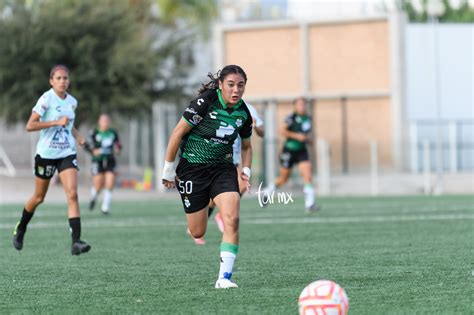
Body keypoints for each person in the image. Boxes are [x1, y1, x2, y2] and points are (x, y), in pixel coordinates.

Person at [162, 65, 253, 289]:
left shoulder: (243, 113)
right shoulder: (205, 102)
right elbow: (177, 133)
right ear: (221, 85)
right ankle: (203, 204)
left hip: (223, 168)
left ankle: (224, 278)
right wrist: (168, 170)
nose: (236, 90)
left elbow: (248, 146)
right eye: (231, 85)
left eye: (240, 85)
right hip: (192, 169)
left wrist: (245, 171)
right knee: (197, 231)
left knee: (233, 219)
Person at [12, 64, 91, 255]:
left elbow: (68, 125)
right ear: (51, 81)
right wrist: (55, 121)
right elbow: (30, 125)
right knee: (39, 197)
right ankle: (21, 227)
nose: (63, 81)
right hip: (46, 155)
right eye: (59, 78)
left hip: (66, 154)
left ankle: (76, 242)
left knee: (72, 194)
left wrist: (78, 136)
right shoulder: (46, 99)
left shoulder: (72, 102)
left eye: (65, 78)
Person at [265, 97, 319, 213]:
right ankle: (268, 191)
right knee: (283, 179)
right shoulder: (291, 118)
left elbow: (306, 135)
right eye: (299, 105)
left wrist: (309, 141)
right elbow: (282, 131)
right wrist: (297, 136)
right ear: (295, 106)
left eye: (303, 104)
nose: (302, 107)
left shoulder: (308, 119)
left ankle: (310, 204)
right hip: (289, 150)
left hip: (302, 151)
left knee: (308, 175)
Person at [85, 114, 122, 214]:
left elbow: (118, 144)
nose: (105, 122)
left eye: (107, 120)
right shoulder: (94, 132)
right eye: (103, 120)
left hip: (110, 160)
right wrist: (93, 150)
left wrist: (118, 149)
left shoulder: (113, 133)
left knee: (110, 183)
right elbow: (87, 145)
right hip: (97, 160)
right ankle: (93, 198)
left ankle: (105, 207)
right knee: (98, 185)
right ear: (99, 122)